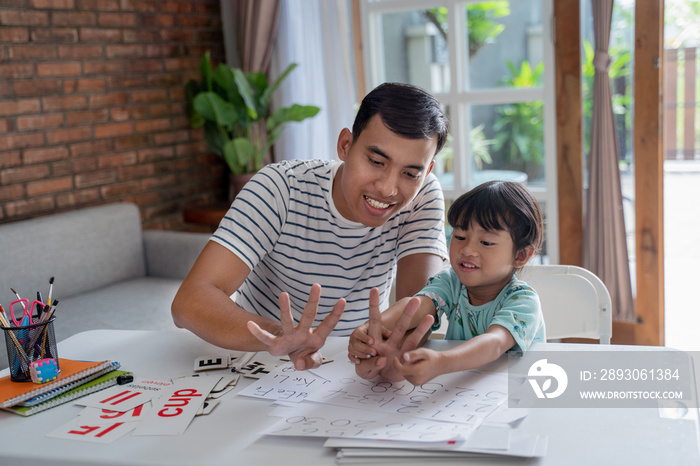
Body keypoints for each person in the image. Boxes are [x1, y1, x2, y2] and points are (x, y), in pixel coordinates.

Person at [172, 82, 450, 371]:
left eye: (409, 173)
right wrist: (282, 336)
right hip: (263, 360)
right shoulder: (280, 188)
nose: (388, 189)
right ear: (345, 145)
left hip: (355, 367)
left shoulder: (423, 194)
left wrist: (387, 343)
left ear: (427, 171)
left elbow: (419, 304)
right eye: (377, 161)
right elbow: (189, 302)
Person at [348, 180, 545, 385]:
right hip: (466, 389)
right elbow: (417, 305)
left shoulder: (523, 301)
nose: (467, 250)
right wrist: (372, 330)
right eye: (459, 236)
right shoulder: (452, 282)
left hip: (518, 391)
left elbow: (494, 344)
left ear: (521, 255)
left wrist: (441, 362)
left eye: (486, 242)